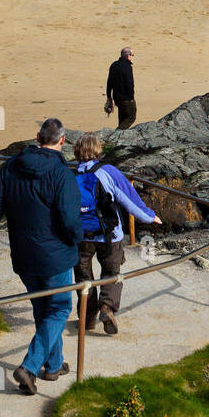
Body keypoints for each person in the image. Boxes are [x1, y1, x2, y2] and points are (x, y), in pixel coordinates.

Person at [0, 118, 83, 395]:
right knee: (59, 309)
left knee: (43, 310)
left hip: (24, 255)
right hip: (55, 255)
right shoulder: (62, 174)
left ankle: (54, 365)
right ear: (62, 141)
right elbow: (71, 220)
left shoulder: (12, 166)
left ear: (37, 137)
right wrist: (76, 241)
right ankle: (30, 367)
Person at [73, 134, 162, 336]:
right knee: (111, 273)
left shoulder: (71, 176)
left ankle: (87, 319)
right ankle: (107, 307)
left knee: (83, 278)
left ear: (77, 152)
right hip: (109, 234)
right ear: (98, 150)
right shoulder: (108, 172)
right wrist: (149, 217)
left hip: (80, 236)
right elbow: (130, 201)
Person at [105, 47, 136, 127]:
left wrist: (109, 96)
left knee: (122, 119)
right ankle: (117, 134)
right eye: (132, 55)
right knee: (131, 117)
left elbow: (109, 83)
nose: (132, 57)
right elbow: (129, 83)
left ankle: (120, 136)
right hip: (126, 99)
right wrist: (131, 97)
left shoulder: (114, 65)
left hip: (117, 98)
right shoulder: (127, 66)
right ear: (128, 56)